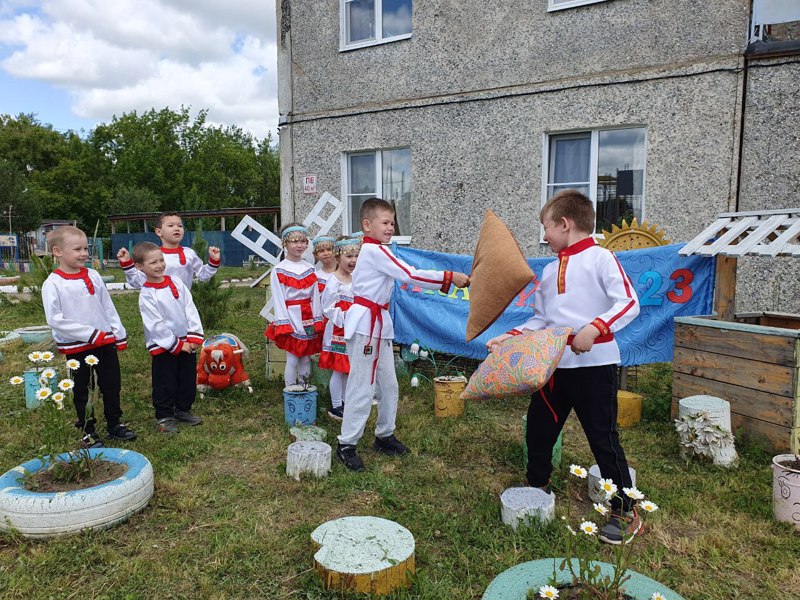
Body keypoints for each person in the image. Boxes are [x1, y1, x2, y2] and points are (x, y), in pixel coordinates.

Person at [486, 189, 641, 545]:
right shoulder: (549, 269)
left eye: (546, 227)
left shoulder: (602, 259)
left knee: (603, 439)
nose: (544, 236)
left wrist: (595, 328)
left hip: (595, 367)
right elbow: (541, 320)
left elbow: (629, 302)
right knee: (539, 429)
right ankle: (537, 483)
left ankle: (624, 509)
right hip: (553, 367)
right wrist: (509, 337)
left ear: (564, 224)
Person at [336, 198, 470, 471]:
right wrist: (449, 277)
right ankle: (346, 444)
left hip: (378, 325)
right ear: (367, 225)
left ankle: (384, 435)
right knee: (362, 386)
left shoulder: (378, 251)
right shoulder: (374, 251)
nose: (390, 227)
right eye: (385, 222)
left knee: (389, 385)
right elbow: (409, 274)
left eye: (392, 223)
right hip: (366, 327)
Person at [42, 226, 136, 447]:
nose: (84, 253)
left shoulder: (93, 275)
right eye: (77, 249)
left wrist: (118, 333)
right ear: (57, 252)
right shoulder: (53, 283)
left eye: (86, 248)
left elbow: (107, 306)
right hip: (77, 346)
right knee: (82, 388)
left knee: (111, 384)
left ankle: (114, 423)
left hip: (105, 341)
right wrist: (89, 334)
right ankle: (87, 429)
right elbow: (55, 319)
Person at [133, 241, 205, 434]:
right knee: (165, 381)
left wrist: (193, 337)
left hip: (187, 342)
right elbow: (155, 324)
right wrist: (176, 344)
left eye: (161, 260)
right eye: (153, 263)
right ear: (140, 267)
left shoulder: (176, 282)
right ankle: (164, 415)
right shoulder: (146, 294)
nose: (159, 265)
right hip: (164, 346)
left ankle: (183, 409)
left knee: (187, 379)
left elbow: (190, 308)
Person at [265, 223, 324, 387]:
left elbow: (315, 297)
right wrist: (283, 322)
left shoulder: (310, 268)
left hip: (308, 318)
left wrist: (316, 318)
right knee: (292, 358)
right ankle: (290, 391)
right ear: (285, 243)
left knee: (306, 357)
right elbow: (278, 298)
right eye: (294, 241)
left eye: (303, 241)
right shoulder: (279, 270)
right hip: (290, 317)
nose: (299, 245)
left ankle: (305, 390)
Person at [117, 212, 221, 290]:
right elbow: (138, 282)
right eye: (171, 225)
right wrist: (127, 264)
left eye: (180, 226)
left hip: (184, 304)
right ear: (159, 231)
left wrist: (213, 262)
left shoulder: (189, 253)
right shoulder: (152, 255)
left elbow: (203, 275)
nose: (177, 228)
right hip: (159, 304)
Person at [319, 236, 361, 421]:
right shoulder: (333, 281)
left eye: (356, 256)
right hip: (339, 329)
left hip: (353, 329)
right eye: (348, 256)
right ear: (338, 258)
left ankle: (345, 402)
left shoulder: (355, 279)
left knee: (347, 368)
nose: (353, 260)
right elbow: (327, 307)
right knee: (338, 368)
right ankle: (336, 405)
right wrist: (345, 318)